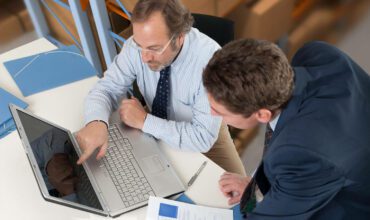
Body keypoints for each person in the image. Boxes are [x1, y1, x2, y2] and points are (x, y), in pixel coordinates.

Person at [203, 39, 370, 219]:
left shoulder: (300, 154)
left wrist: (271, 196)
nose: (211, 113)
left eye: (220, 112)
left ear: (262, 115)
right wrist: (257, 187)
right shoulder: (317, 54)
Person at [76, 0, 245, 175]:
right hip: (150, 118)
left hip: (201, 130)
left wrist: (145, 121)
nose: (144, 57)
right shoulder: (137, 46)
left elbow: (202, 137)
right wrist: (96, 122)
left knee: (243, 198)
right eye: (139, 45)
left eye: (154, 48)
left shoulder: (210, 63)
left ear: (180, 37)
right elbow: (106, 88)